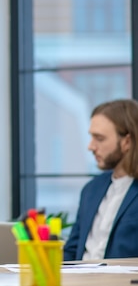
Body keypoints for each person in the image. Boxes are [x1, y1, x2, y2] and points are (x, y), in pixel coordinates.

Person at [64, 99, 138, 261]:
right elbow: (72, 251)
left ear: (127, 142)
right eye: (91, 137)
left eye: (100, 138)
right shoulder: (91, 189)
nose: (90, 146)